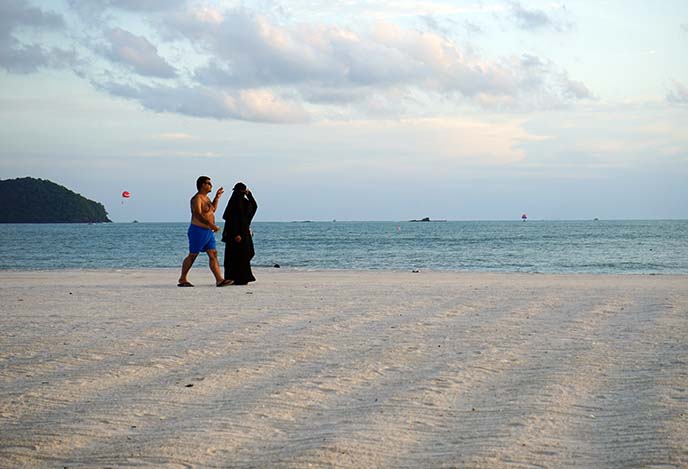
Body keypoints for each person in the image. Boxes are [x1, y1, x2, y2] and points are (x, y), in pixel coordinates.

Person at [178, 176, 233, 287]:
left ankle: (219, 279)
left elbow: (212, 210)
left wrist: (217, 197)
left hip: (208, 231)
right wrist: (211, 224)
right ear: (202, 185)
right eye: (208, 183)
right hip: (198, 230)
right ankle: (182, 278)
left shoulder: (206, 198)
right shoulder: (197, 198)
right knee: (193, 255)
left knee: (213, 254)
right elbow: (197, 214)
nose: (211, 185)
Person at [222, 182, 258, 285]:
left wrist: (249, 195)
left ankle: (241, 277)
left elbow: (254, 208)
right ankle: (234, 277)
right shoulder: (234, 203)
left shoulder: (243, 203)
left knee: (245, 254)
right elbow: (232, 219)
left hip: (243, 232)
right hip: (236, 233)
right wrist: (236, 233)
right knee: (234, 255)